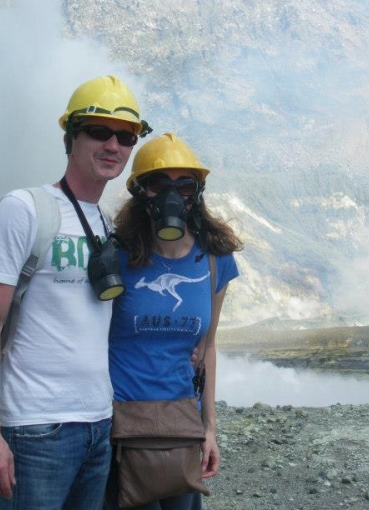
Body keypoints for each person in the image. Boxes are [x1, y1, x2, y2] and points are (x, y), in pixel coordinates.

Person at [0, 75, 151, 509]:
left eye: (125, 137)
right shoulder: (25, 209)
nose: (113, 146)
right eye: (98, 132)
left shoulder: (109, 224)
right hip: (34, 430)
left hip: (98, 425)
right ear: (70, 135)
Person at [107, 132, 243, 510]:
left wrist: (209, 429)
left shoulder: (216, 260)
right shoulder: (116, 257)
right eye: (158, 183)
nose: (173, 195)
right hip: (120, 428)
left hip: (182, 426)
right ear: (140, 192)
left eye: (185, 185)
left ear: (196, 193)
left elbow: (209, 347)